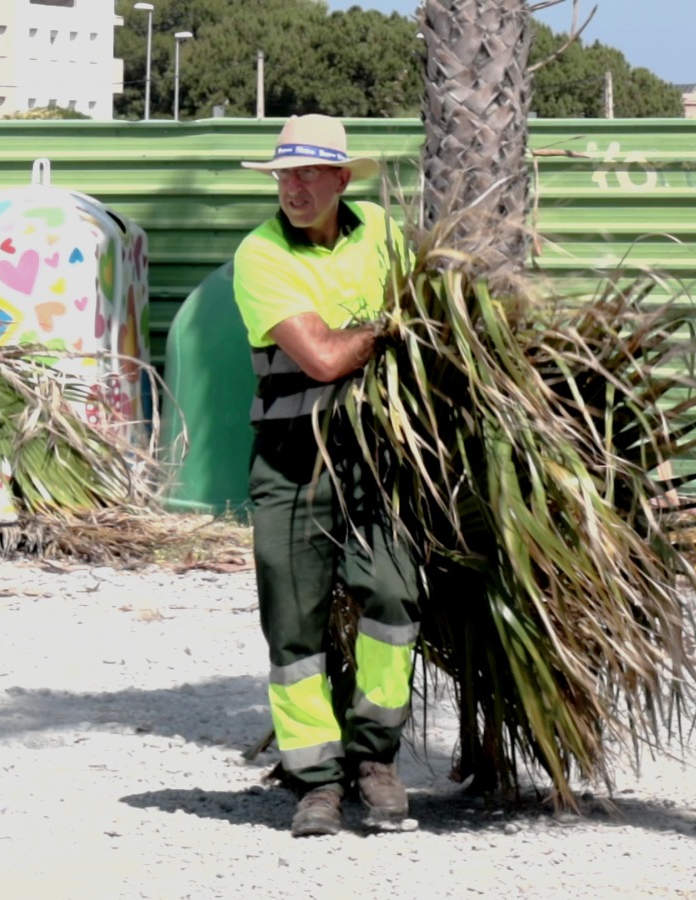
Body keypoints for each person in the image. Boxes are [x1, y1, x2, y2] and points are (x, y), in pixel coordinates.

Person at [230, 115, 423, 837]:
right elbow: (323, 360)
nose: (294, 188)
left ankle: (374, 759)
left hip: (375, 450)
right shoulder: (260, 255)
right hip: (290, 457)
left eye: (310, 173)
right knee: (293, 623)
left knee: (394, 597)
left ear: (343, 179)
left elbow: (426, 298)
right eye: (284, 174)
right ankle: (316, 781)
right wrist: (384, 327)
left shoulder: (379, 228)